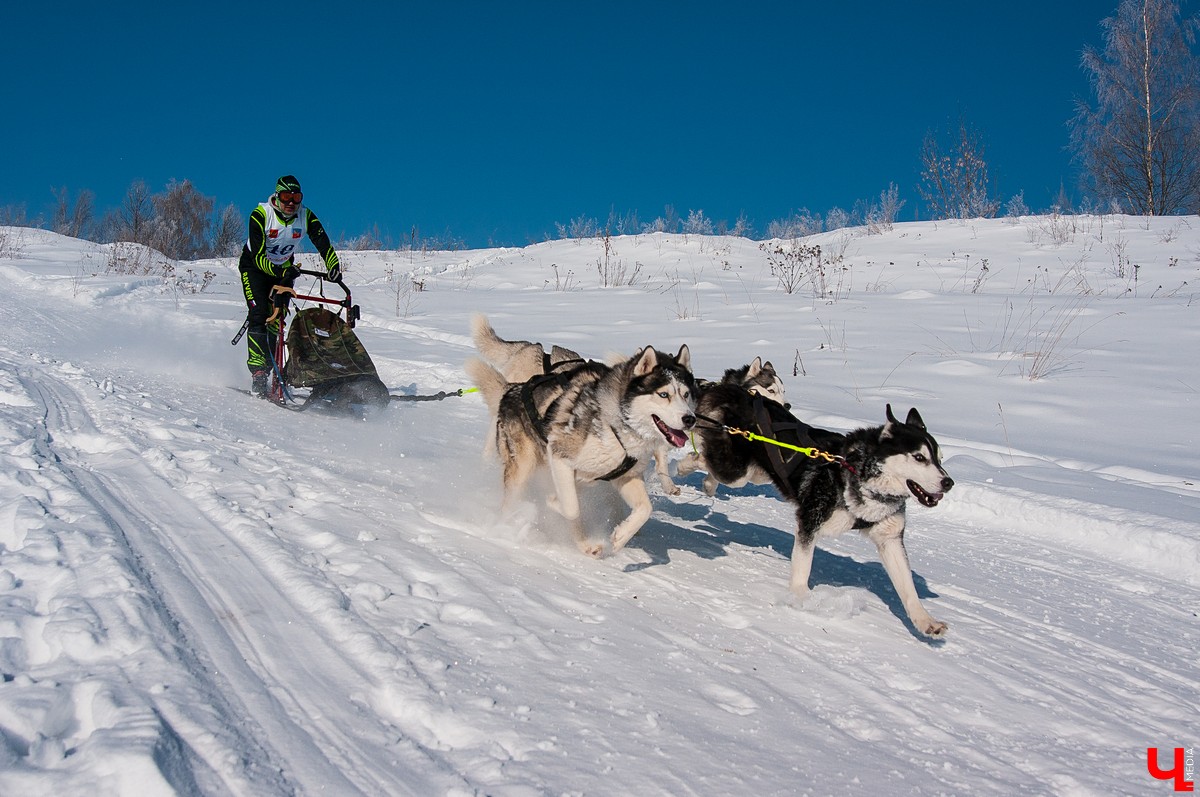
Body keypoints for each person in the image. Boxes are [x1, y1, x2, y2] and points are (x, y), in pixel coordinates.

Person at [238, 175, 343, 396]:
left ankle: (275, 369)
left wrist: (333, 265)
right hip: (254, 269)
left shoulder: (305, 216)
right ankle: (259, 373)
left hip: (283, 271)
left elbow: (323, 243)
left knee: (277, 319)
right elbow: (257, 256)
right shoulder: (260, 215)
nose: (291, 203)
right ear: (277, 196)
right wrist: (281, 271)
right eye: (286, 197)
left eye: (296, 197)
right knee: (258, 314)